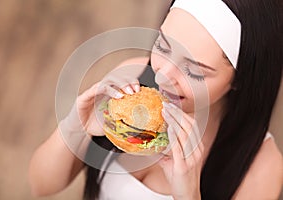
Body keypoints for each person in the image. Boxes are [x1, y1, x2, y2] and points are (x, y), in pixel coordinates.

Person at [29, 0, 283, 199]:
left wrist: (187, 194)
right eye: (163, 47)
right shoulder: (132, 75)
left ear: (241, 79)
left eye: (194, 70)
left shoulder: (263, 166)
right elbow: (41, 185)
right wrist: (77, 124)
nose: (162, 77)